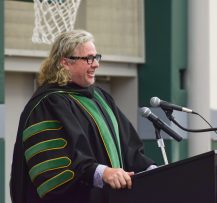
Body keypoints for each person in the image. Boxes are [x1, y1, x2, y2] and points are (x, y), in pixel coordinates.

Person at [10, 30, 156, 203]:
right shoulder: (47, 105)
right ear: (65, 62)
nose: (95, 64)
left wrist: (152, 170)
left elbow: (129, 147)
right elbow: (55, 169)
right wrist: (102, 173)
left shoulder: (101, 98)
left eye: (96, 57)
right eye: (88, 58)